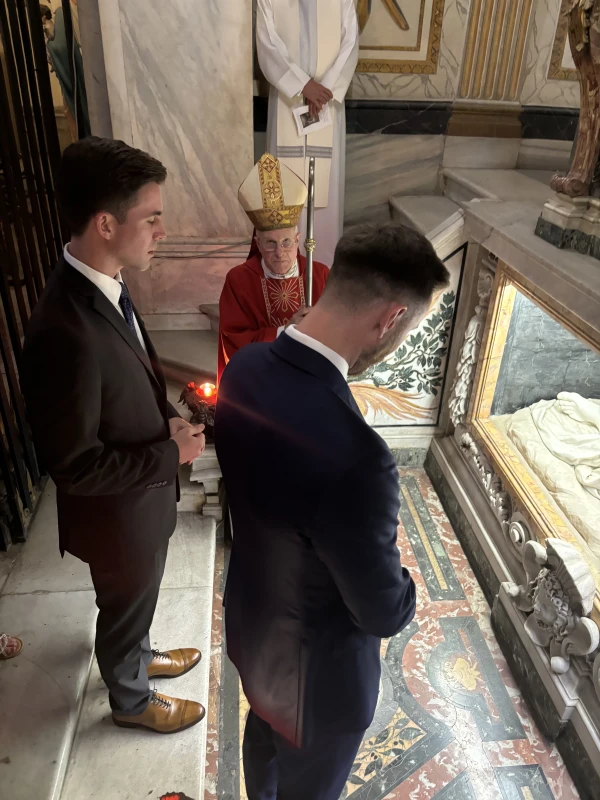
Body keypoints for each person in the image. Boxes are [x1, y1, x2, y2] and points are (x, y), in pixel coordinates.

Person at [215, 223, 450, 799]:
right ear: (390, 318)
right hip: (319, 687)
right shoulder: (358, 459)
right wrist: (408, 587)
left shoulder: (243, 371)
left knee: (263, 746)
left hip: (254, 630)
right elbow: (382, 612)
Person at [21, 137, 206, 734]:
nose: (161, 230)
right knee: (125, 601)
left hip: (139, 504)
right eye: (151, 218)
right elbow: (73, 466)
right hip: (117, 515)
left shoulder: (102, 280)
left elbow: (127, 369)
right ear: (105, 223)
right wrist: (167, 453)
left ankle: (137, 655)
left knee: (136, 600)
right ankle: (130, 701)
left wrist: (166, 419)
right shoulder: (62, 330)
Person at [256, 0, 359, 267]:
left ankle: (322, 277)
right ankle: (282, 277)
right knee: (282, 191)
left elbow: (350, 46)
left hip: (327, 106)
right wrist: (303, 86)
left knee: (326, 198)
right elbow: (268, 44)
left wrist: (324, 90)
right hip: (287, 104)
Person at [218, 153, 329, 382]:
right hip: (260, 380)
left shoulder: (319, 275)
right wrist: (285, 331)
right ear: (257, 243)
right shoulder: (239, 280)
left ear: (298, 240)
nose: (280, 252)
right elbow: (233, 341)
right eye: (270, 243)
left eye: (286, 242)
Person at [40, 3, 91, 138]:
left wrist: (50, 46)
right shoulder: (55, 22)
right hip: (66, 78)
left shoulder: (62, 15)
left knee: (73, 112)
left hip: (72, 77)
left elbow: (62, 48)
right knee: (69, 113)